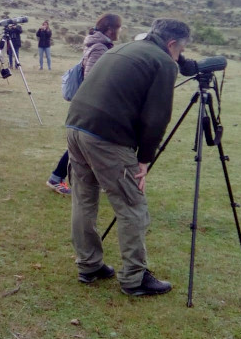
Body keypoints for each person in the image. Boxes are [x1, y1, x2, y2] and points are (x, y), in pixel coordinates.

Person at [65, 18, 190, 296]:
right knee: (132, 204)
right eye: (180, 51)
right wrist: (144, 160)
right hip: (106, 136)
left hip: (76, 125)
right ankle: (134, 278)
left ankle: (89, 265)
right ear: (172, 45)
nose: (179, 57)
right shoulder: (164, 62)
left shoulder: (122, 49)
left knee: (84, 198)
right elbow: (156, 118)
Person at [46, 14, 123, 195]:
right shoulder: (99, 48)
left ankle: (60, 178)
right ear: (111, 29)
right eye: (119, 28)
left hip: (91, 105)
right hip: (92, 106)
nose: (120, 31)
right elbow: (92, 80)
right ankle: (57, 178)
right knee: (88, 144)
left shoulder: (99, 45)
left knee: (86, 144)